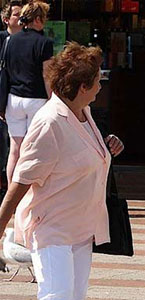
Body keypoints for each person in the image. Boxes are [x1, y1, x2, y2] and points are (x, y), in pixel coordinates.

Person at [0, 42, 123, 300]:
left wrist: (108, 145)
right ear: (82, 86)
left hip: (81, 226)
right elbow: (20, 183)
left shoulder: (83, 114)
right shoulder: (50, 121)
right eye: (97, 81)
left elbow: (86, 157)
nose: (102, 85)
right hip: (51, 225)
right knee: (56, 296)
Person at [4, 0, 53, 185]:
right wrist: (51, 99)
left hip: (13, 99)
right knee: (33, 149)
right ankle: (29, 195)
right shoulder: (44, 42)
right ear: (38, 19)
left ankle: (12, 197)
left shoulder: (10, 40)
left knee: (15, 149)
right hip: (36, 100)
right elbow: (46, 74)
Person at [0, 1, 23, 199]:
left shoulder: (29, 41)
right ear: (6, 19)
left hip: (16, 102)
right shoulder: (2, 40)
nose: (21, 18)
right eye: (17, 15)